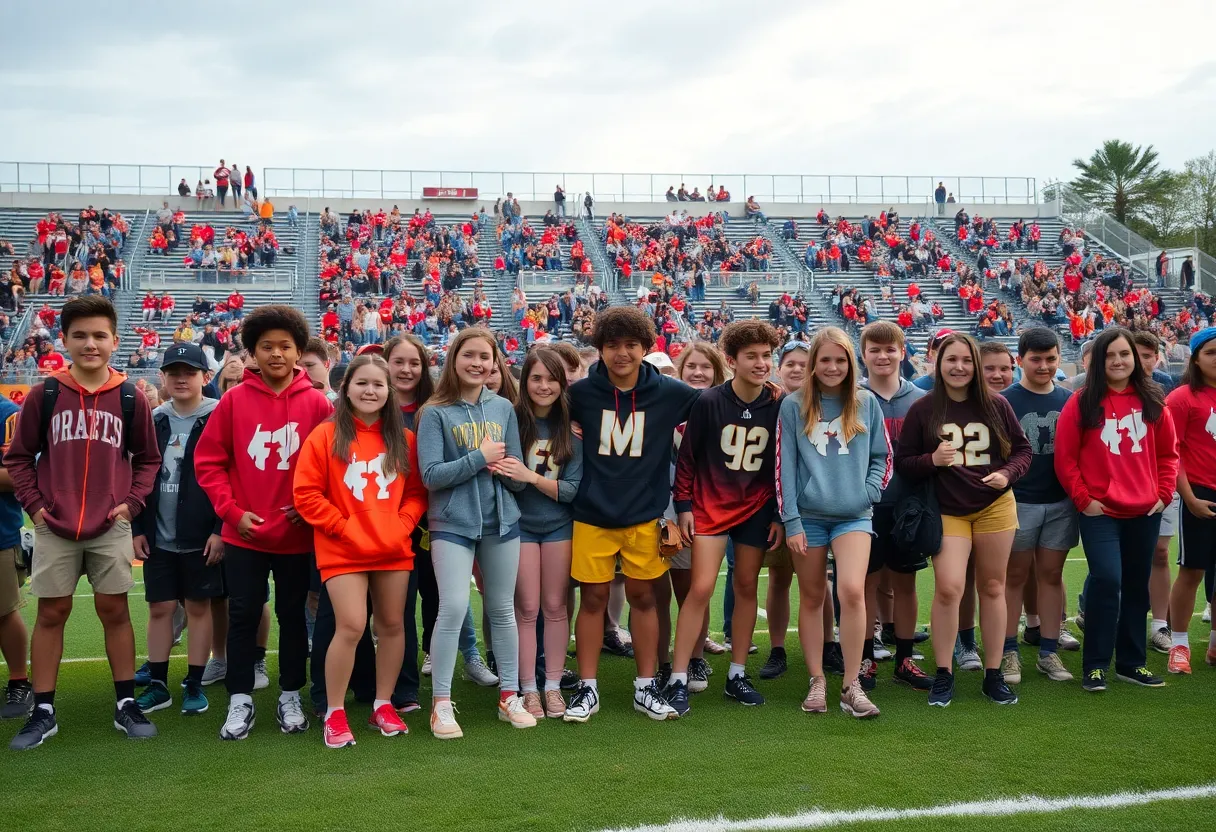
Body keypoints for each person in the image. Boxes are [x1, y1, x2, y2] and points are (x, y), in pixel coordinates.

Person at [6, 297, 162, 750]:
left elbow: (148, 460)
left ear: (115, 340)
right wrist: (36, 507)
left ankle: (125, 703)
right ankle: (44, 710)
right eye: (80, 335)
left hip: (110, 522)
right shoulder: (46, 393)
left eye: (99, 336)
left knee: (114, 610)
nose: (90, 344)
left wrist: (131, 505)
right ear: (65, 340)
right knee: (52, 612)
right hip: (54, 523)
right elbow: (18, 458)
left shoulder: (131, 395)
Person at [195, 305, 334, 741]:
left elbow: (332, 467)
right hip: (246, 535)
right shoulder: (234, 401)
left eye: (285, 346)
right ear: (252, 353)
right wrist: (232, 514)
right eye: (266, 347)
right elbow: (209, 463)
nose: (276, 354)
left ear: (298, 353)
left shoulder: (317, 403)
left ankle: (289, 693)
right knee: (243, 615)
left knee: (294, 618)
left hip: (297, 537)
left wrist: (308, 507)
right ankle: (240, 699)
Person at [562, 306, 699, 723]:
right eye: (611, 345)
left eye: (631, 345)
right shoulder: (581, 395)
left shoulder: (671, 392)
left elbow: (717, 407)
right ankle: (588, 689)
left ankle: (645, 687)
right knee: (594, 600)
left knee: (643, 598)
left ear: (646, 348)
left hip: (644, 516)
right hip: (592, 515)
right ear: (599, 348)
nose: (621, 353)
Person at [293, 354, 427, 748]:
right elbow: (306, 494)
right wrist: (344, 527)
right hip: (343, 548)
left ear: (389, 392)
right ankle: (335, 712)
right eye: (362, 383)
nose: (370, 391)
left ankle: (383, 704)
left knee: (392, 626)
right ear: (345, 388)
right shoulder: (325, 436)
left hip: (392, 547)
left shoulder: (405, 439)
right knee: (349, 625)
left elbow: (417, 493)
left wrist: (400, 525)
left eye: (378, 385)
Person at [895, 333, 1032, 707]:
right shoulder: (924, 409)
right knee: (950, 588)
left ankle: (993, 674)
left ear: (975, 364)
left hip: (995, 505)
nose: (959, 367)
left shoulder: (996, 405)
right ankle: (944, 673)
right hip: (947, 508)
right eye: (951, 360)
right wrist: (932, 461)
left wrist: (1007, 475)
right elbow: (904, 461)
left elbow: (1022, 450)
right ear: (938, 364)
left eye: (966, 361)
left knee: (992, 587)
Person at [415, 328, 535, 738]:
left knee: (502, 609)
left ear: (495, 362)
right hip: (452, 524)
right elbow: (430, 476)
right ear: (454, 359)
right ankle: (442, 704)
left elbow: (515, 470)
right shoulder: (434, 412)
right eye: (470, 355)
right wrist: (478, 458)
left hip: (502, 522)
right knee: (451, 607)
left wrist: (514, 474)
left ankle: (509, 696)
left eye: (486, 357)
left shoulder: (503, 407)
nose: (478, 364)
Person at [666, 322, 784, 716]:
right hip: (711, 505)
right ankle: (679, 677)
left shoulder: (779, 403)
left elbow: (783, 465)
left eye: (766, 355)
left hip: (756, 507)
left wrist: (780, 515)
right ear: (731, 361)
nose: (761, 363)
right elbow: (688, 460)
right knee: (700, 588)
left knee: (747, 584)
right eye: (752, 356)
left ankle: (736, 674)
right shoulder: (710, 401)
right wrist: (684, 506)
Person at [1055, 327, 1178, 692]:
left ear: (1136, 358)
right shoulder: (1081, 401)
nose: (1119, 361)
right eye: (1111, 355)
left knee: (1137, 586)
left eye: (1125, 354)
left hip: (1145, 510)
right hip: (1100, 512)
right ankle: (1095, 665)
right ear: (1098, 361)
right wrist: (1084, 500)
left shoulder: (1154, 399)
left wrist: (1163, 494)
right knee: (1107, 579)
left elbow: (1169, 455)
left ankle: (1131, 663)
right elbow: (1066, 459)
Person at [777, 327, 890, 717]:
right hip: (808, 518)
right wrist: (791, 521)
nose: (833, 367)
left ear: (850, 363)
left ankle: (851, 684)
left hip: (854, 515)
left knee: (852, 591)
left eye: (840, 360)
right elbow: (784, 469)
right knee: (811, 597)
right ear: (812, 364)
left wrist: (868, 493)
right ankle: (817, 680)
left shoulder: (866, 403)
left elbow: (882, 457)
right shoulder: (793, 406)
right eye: (825, 359)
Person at [128, 343, 223, 716]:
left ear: (205, 377)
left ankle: (195, 683)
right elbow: (139, 476)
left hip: (202, 535)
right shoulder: (154, 419)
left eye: (190, 372)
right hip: (158, 536)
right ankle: (158, 684)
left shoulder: (219, 416)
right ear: (163, 377)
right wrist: (137, 526)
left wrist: (220, 528)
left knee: (199, 607)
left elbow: (229, 478)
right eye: (173, 372)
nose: (181, 378)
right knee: (160, 607)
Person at [493, 349, 582, 719]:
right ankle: (527, 689)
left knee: (556, 607)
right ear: (524, 381)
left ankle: (553, 686)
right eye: (536, 378)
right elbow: (502, 475)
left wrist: (531, 478)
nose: (544, 386)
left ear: (562, 383)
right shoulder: (509, 420)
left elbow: (573, 490)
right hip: (521, 525)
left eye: (551, 379)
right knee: (526, 609)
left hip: (559, 525)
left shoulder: (573, 427)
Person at [1000, 328, 1080, 686]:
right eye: (1036, 359)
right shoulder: (1005, 400)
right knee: (1014, 578)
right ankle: (1008, 652)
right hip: (1019, 502)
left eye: (1050, 358)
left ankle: (1048, 651)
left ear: (1059, 358)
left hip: (1061, 502)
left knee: (1050, 576)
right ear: (1020, 361)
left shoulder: (1069, 399)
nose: (1044, 365)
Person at [858, 321, 933, 690]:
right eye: (875, 349)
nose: (883, 356)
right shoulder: (853, 398)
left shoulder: (920, 398)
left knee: (906, 583)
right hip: (864, 507)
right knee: (866, 585)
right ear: (863, 354)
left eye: (890, 349)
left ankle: (904, 658)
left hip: (908, 507)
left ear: (903, 352)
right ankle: (866, 659)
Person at [655, 344, 728, 695]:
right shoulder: (666, 410)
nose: (698, 373)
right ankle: (662, 662)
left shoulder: (721, 412)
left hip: (702, 514)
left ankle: (695, 655)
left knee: (693, 592)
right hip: (658, 511)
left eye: (706, 368)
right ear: (680, 375)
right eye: (691, 368)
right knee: (655, 596)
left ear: (717, 372)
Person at [1165, 327, 1216, 674]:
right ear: (1196, 358)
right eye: (1211, 352)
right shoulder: (1182, 398)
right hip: (1199, 494)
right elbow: (1173, 453)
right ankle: (1179, 644)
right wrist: (1190, 498)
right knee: (1192, 570)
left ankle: (1214, 645)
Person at [1132, 330, 1177, 654]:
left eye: (1149, 354)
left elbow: (1173, 445)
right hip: (1122, 485)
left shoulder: (1167, 386)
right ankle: (1099, 614)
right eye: (1138, 353)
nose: (1142, 360)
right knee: (1114, 559)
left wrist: (1168, 485)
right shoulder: (1103, 388)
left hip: (1162, 483)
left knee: (1160, 553)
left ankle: (1160, 624)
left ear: (1157, 356)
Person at [0, 391, 31, 721]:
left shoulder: (8, 413)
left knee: (3, 612)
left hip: (0, 533)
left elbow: (18, 476)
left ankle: (19, 680)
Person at [300, 337, 338, 403]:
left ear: (327, 364)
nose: (302, 372)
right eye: (297, 367)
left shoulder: (341, 406)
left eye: (309, 365)